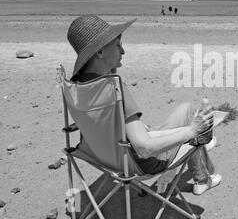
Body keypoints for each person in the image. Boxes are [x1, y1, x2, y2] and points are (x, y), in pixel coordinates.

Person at [67, 14, 221, 195]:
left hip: (104, 157)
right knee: (190, 117)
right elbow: (145, 148)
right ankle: (203, 177)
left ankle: (202, 151)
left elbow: (97, 122)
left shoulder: (78, 89)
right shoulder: (114, 90)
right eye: (117, 45)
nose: (122, 51)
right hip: (140, 163)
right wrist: (192, 131)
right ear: (100, 52)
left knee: (186, 113)